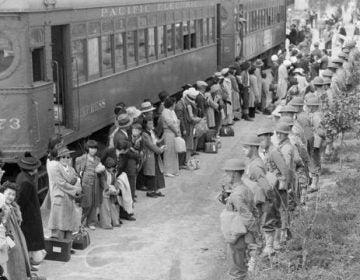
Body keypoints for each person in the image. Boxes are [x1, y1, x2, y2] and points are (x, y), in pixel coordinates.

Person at [241, 135, 281, 257]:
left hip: (261, 201)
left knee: (264, 224)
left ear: (253, 148)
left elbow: (266, 186)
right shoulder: (254, 162)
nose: (243, 150)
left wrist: (269, 200)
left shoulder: (256, 166)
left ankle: (268, 249)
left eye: (246, 147)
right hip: (259, 199)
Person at [221, 158, 259, 279]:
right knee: (241, 268)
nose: (225, 175)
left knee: (236, 272)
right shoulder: (244, 188)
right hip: (243, 234)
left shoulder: (237, 194)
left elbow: (247, 216)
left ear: (234, 174)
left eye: (227, 172)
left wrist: (255, 235)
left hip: (238, 236)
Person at [257, 126, 290, 249]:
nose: (261, 143)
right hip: (272, 185)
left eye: (262, 139)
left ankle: (277, 241)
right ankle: (275, 242)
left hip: (278, 186)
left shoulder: (273, 151)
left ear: (269, 138)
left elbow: (284, 169)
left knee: (277, 212)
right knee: (274, 212)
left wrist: (284, 184)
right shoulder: (267, 152)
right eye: (259, 140)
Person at [15, 153, 46, 267]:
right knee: (31, 238)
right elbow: (20, 201)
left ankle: (30, 258)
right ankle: (29, 261)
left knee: (29, 238)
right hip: (29, 215)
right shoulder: (27, 182)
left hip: (28, 213)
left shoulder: (21, 176)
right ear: (33, 170)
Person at [48, 147, 82, 240]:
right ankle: (60, 247)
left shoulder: (71, 169)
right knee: (59, 224)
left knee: (69, 224)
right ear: (59, 158)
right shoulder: (55, 169)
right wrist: (75, 190)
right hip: (60, 199)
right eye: (63, 157)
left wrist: (78, 188)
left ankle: (68, 247)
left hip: (70, 200)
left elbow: (77, 181)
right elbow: (61, 183)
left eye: (68, 157)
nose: (66, 159)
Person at [1, 182, 31, 280]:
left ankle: (20, 276)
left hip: (15, 235)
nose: (11, 197)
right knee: (11, 257)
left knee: (18, 256)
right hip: (6, 236)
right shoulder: (3, 208)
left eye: (13, 195)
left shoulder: (13, 207)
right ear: (2, 193)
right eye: (8, 194)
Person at [75, 140, 104, 230]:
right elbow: (78, 171)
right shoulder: (81, 159)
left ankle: (91, 222)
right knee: (87, 203)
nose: (93, 150)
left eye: (95, 148)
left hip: (95, 183)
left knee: (94, 203)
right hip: (85, 184)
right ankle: (80, 222)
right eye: (91, 148)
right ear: (88, 149)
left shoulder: (98, 159)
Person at [142, 117, 166, 198]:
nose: (152, 125)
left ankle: (156, 190)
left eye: (152, 123)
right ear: (145, 125)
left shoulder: (152, 131)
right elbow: (151, 145)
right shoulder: (144, 134)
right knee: (151, 173)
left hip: (154, 154)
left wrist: (162, 143)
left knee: (157, 171)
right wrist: (159, 150)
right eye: (149, 123)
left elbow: (156, 141)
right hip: (149, 155)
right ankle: (150, 191)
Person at [306, 97, 326, 193]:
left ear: (313, 106)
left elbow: (320, 130)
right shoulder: (317, 114)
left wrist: (313, 130)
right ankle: (314, 183)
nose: (308, 108)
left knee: (314, 161)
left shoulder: (316, 116)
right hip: (316, 140)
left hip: (315, 141)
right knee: (314, 160)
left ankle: (314, 185)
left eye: (309, 106)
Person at [98, 157, 121, 229]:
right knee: (105, 208)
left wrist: (117, 188)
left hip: (111, 192)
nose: (111, 169)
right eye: (110, 168)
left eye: (112, 168)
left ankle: (115, 221)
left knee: (113, 207)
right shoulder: (103, 173)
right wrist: (107, 189)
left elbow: (115, 181)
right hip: (104, 192)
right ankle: (106, 224)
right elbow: (103, 182)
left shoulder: (112, 174)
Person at [161, 97, 180, 177]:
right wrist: (176, 131)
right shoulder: (166, 112)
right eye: (174, 103)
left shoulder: (170, 111)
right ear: (172, 104)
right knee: (168, 152)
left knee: (173, 151)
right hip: (169, 133)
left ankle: (174, 170)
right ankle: (167, 170)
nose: (175, 105)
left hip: (173, 133)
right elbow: (170, 124)